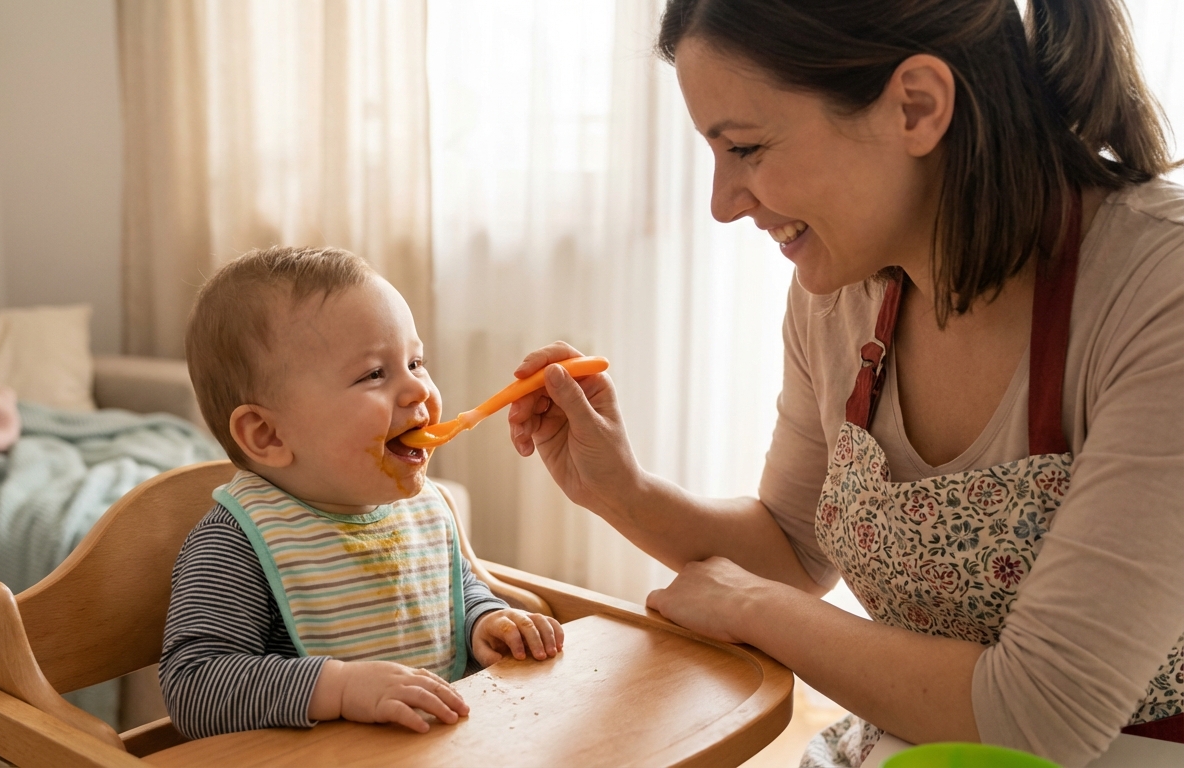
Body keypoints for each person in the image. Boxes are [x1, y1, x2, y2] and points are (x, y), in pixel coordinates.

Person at [506, 1, 1184, 766]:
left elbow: (1039, 711)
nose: (723, 203)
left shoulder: (1162, 290)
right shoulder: (840, 290)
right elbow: (793, 550)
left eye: (748, 148)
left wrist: (754, 608)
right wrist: (619, 489)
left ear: (917, 107)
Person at [161, 246, 563, 739]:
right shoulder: (238, 542)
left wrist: (485, 620)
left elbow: (448, 590)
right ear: (268, 435)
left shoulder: (420, 510)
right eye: (374, 373)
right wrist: (342, 687)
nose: (417, 390)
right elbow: (195, 689)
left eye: (416, 362)